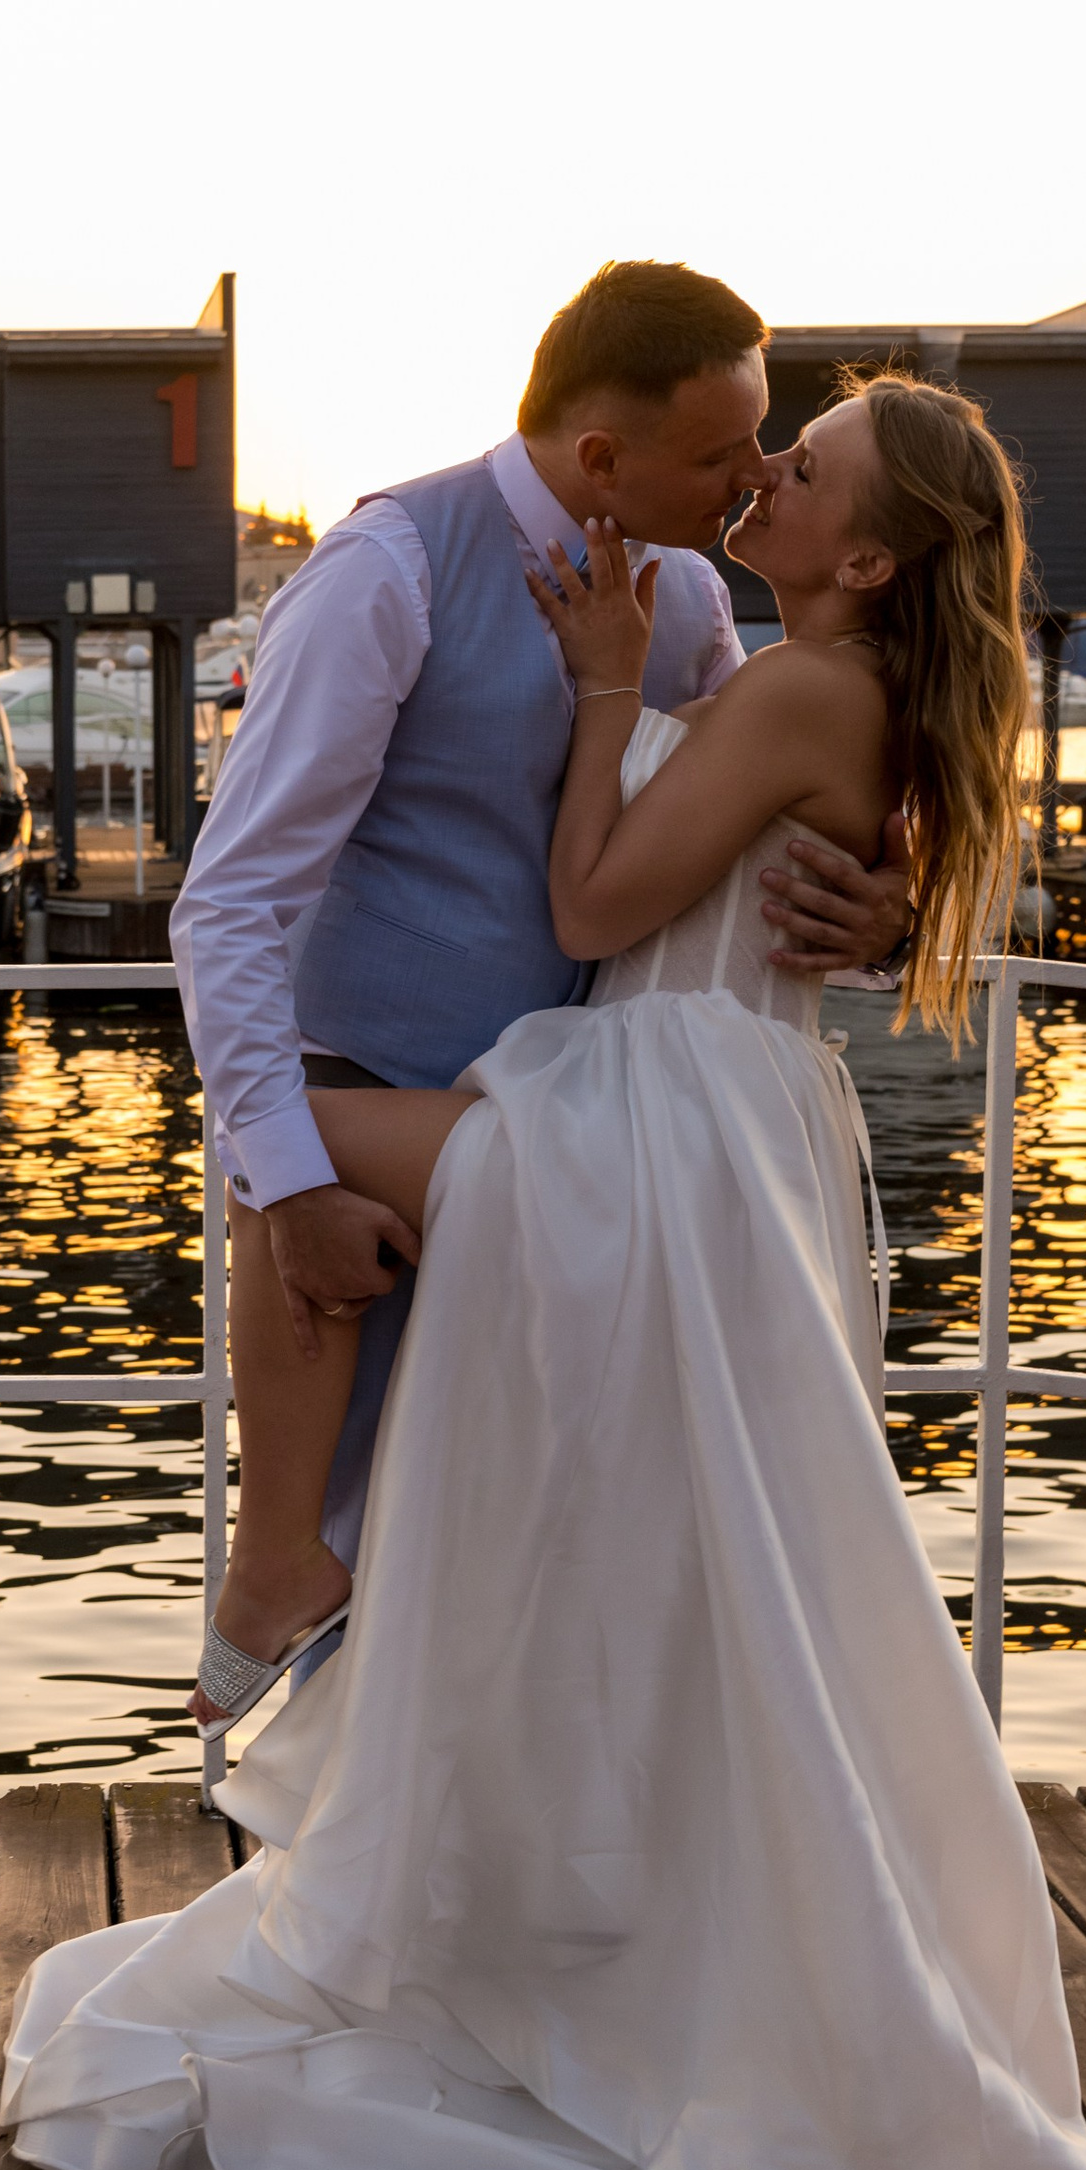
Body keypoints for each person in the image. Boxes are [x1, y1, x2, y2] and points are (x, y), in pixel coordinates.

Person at [3, 365, 1086, 2170]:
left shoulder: (770, 671)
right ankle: (579, 1915)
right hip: (709, 1118)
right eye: (750, 449)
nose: (762, 477)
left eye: (791, 470)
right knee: (650, 1582)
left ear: (866, 553)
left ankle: (275, 1563)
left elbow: (588, 894)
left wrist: (607, 700)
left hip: (645, 1123)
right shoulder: (750, 649)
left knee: (278, 1157)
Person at [166, 260, 914, 1735]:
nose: (755, 475)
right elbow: (230, 901)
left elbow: (732, 842)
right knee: (367, 1563)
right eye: (723, 454)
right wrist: (292, 1176)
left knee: (523, 1577)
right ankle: (333, 1896)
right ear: (600, 460)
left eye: (770, 446)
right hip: (397, 1126)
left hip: (589, 1146)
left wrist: (876, 920)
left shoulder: (689, 594)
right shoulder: (387, 572)